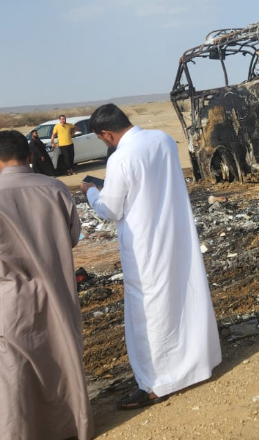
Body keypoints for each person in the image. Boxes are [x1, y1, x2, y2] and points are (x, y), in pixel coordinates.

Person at [80, 103, 221, 409]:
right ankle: (198, 362)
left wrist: (91, 191)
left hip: (145, 247)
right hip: (176, 234)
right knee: (184, 297)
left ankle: (155, 384)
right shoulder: (163, 139)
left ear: (106, 133)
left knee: (149, 315)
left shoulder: (121, 158)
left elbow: (110, 209)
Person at [0, 130, 93, 440]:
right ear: (30, 158)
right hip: (56, 295)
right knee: (60, 361)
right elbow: (71, 238)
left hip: (5, 302)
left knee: (11, 373)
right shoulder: (56, 188)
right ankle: (73, 428)